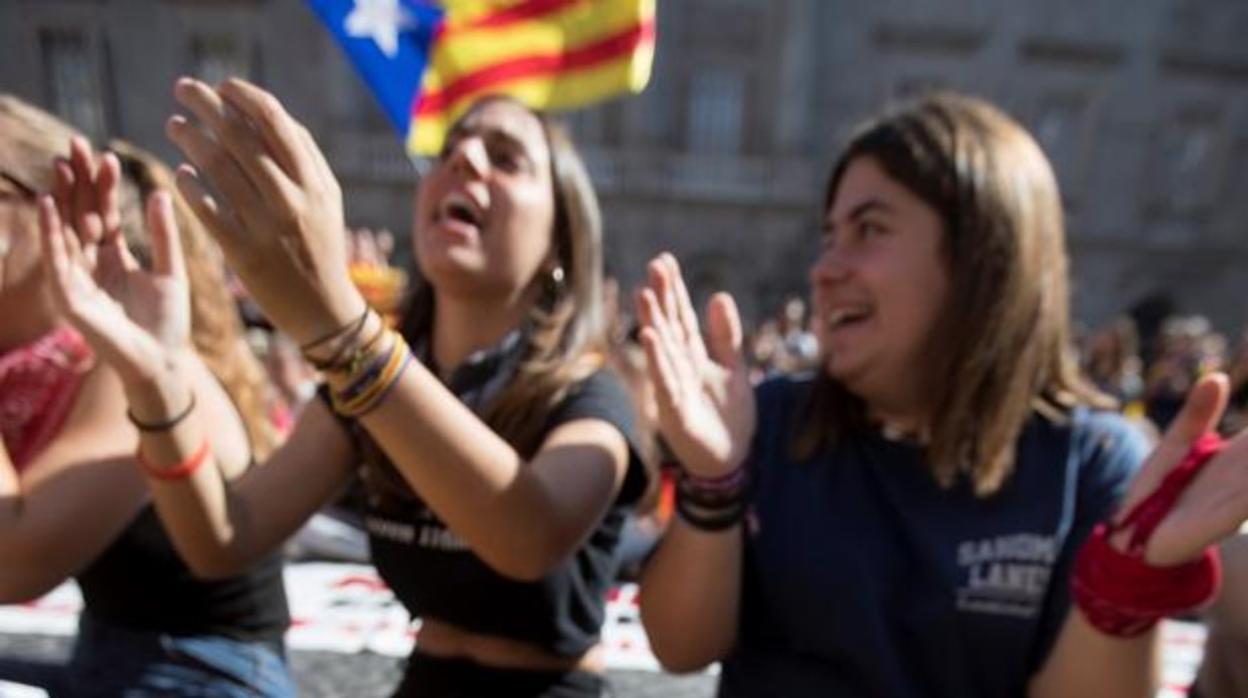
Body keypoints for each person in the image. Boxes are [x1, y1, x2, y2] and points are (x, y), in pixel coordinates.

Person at [42, 76, 647, 698]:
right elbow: (224, 539)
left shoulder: (588, 398)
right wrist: (156, 375)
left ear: (560, 241)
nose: (464, 159)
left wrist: (339, 327)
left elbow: (530, 538)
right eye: (450, 150)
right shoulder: (361, 393)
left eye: (506, 158)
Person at [634, 92, 1248, 697]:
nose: (826, 268)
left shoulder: (1088, 461)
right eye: (830, 235)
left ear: (985, 257)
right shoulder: (769, 420)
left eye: (870, 229)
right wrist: (713, 484)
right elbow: (681, 648)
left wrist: (1124, 583)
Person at [0, 95, 293, 696]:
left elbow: (12, 558)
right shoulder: (44, 370)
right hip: (115, 656)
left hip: (205, 673)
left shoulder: (123, 357)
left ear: (43, 210)